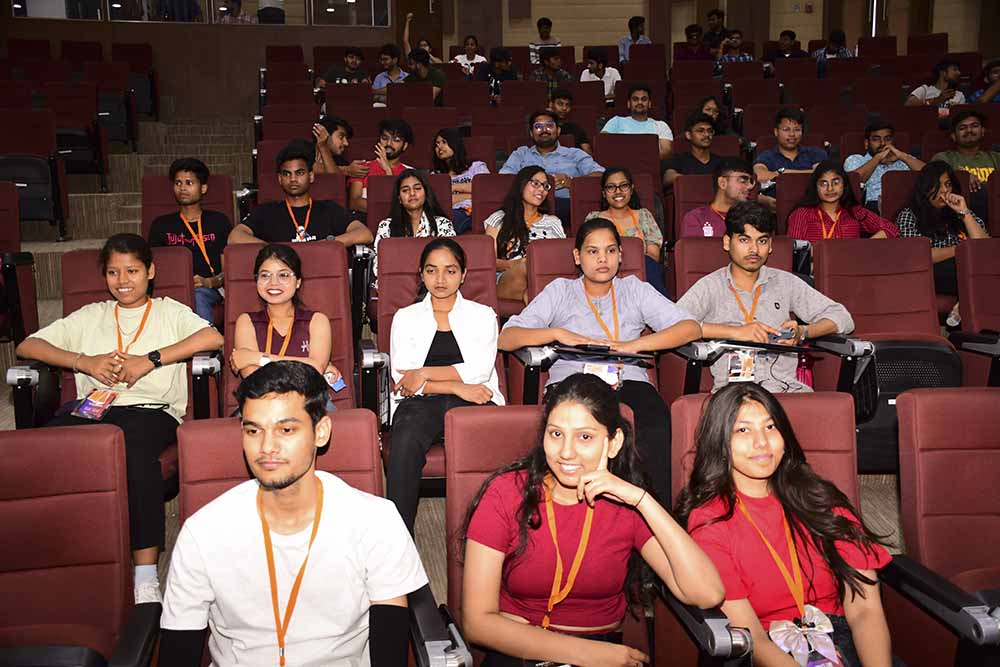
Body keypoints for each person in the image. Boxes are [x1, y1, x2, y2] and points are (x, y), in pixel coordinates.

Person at [158, 361, 426, 666]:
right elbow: (178, 651)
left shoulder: (376, 522)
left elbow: (390, 651)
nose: (266, 447)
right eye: (253, 430)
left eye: (286, 430)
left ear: (321, 432)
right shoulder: (203, 532)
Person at [462, 372, 724, 666]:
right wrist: (591, 654)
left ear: (613, 443)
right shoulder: (507, 493)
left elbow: (708, 593)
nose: (566, 452)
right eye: (556, 434)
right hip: (522, 650)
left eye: (585, 437)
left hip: (603, 646)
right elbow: (477, 623)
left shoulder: (628, 504)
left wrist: (643, 500)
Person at [16, 233, 224, 603]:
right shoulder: (91, 315)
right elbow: (27, 345)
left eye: (132, 271)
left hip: (150, 411)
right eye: (113, 272)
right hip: (93, 409)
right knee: (39, 448)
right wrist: (84, 362)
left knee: (135, 452)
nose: (123, 280)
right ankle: (52, 557)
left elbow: (212, 338)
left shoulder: (168, 310)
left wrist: (151, 360)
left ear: (150, 272)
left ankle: (145, 574)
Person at [675, 383, 897, 667]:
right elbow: (754, 638)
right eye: (743, 430)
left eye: (770, 427)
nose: (761, 442)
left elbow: (865, 609)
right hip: (767, 650)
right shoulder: (710, 520)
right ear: (719, 443)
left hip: (839, 638)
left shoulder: (820, 498)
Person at [499, 218, 702, 501]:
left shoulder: (635, 289)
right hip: (573, 382)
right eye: (592, 251)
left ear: (620, 255)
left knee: (655, 427)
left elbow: (690, 328)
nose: (602, 259)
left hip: (628, 380)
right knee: (581, 434)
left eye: (610, 250)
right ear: (577, 256)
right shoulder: (560, 291)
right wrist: (557, 333)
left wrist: (634, 346)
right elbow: (507, 337)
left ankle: (654, 514)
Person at [387, 238, 503, 533]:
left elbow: (479, 371)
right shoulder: (405, 317)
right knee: (405, 437)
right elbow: (404, 379)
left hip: (475, 398)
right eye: (432, 270)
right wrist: (455, 387)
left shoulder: (483, 315)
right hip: (422, 401)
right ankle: (398, 538)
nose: (440, 279)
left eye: (450, 271)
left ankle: (487, 534)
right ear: (421, 274)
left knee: (488, 438)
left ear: (463, 275)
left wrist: (423, 373)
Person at [676, 201, 854, 393]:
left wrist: (803, 332)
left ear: (770, 246)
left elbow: (843, 318)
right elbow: (672, 325)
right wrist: (735, 332)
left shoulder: (785, 282)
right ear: (727, 242)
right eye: (744, 240)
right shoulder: (710, 286)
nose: (754, 250)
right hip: (734, 393)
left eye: (761, 241)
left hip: (787, 389)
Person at [230, 244, 342, 400]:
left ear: (298, 282)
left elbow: (315, 370)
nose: (273, 283)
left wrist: (258, 358)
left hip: (309, 403)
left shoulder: (317, 321)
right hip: (262, 405)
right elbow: (254, 379)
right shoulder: (246, 321)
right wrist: (304, 366)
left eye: (283, 275)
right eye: (265, 275)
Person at [230, 140, 372, 247]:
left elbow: (365, 234)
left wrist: (328, 244)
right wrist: (271, 249)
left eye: (299, 173)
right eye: (287, 174)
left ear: (311, 176)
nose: (293, 179)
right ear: (280, 179)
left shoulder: (328, 209)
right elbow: (235, 236)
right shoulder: (267, 211)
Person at [147, 158, 230, 323]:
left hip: (209, 288)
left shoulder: (219, 221)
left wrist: (211, 281)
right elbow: (152, 266)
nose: (182, 188)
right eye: (178, 183)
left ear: (203, 188)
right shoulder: (160, 224)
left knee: (197, 296)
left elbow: (229, 267)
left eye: (189, 183)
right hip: (172, 288)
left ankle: (204, 339)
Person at [895, 161, 988, 305]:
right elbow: (917, 255)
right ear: (925, 188)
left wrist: (963, 212)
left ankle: (963, 306)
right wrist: (962, 249)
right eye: (937, 186)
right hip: (930, 273)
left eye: (948, 184)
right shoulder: (909, 215)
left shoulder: (960, 211)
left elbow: (984, 246)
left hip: (965, 268)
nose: (944, 190)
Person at [501, 110, 605, 225]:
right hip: (528, 207)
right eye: (538, 127)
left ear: (558, 131)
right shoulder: (521, 154)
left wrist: (572, 183)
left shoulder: (574, 154)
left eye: (549, 126)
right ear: (531, 133)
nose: (544, 130)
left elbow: (601, 175)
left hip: (566, 207)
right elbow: (504, 178)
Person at [485, 166, 565, 302]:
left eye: (546, 186)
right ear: (521, 185)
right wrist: (515, 264)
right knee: (529, 265)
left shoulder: (553, 223)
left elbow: (562, 259)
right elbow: (487, 261)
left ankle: (533, 301)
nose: (542, 189)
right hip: (507, 279)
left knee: (535, 284)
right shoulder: (499, 218)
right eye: (536, 183)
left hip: (544, 280)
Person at [585, 166, 665, 295]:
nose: (618, 191)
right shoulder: (594, 218)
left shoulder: (644, 215)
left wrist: (631, 266)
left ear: (631, 189)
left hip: (642, 274)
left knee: (649, 264)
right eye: (611, 187)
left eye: (623, 186)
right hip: (605, 272)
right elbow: (589, 253)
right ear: (604, 193)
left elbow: (653, 255)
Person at [787, 160, 899, 241]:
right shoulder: (801, 214)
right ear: (815, 187)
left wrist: (863, 247)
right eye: (823, 183)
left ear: (844, 185)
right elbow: (793, 251)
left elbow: (891, 229)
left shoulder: (855, 212)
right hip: (816, 266)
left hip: (851, 265)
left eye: (836, 182)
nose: (830, 189)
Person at [373, 169, 455, 278]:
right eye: (405, 190)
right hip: (396, 282)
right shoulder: (386, 226)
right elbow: (378, 267)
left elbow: (450, 263)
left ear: (426, 194)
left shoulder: (442, 224)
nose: (412, 193)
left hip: (434, 282)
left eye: (417, 188)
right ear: (399, 199)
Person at [931, 109, 999, 220]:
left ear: (982, 131)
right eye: (962, 128)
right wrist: (961, 177)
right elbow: (933, 184)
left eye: (974, 126)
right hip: (957, 213)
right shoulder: (943, 158)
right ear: (954, 136)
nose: (969, 130)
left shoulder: (996, 158)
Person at [843, 121, 924, 213]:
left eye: (887, 139)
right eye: (876, 139)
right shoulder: (855, 160)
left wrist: (902, 156)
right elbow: (854, 182)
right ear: (866, 143)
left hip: (905, 207)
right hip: (871, 208)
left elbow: (930, 175)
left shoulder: (905, 160)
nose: (883, 143)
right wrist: (878, 158)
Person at [753, 107, 827, 194]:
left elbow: (823, 174)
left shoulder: (815, 153)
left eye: (797, 129)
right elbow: (760, 176)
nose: (792, 134)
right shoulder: (767, 156)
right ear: (776, 132)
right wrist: (808, 174)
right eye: (786, 129)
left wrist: (782, 173)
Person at [347, 118, 415, 214]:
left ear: (405, 146)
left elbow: (408, 205)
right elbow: (354, 203)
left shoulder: (410, 173)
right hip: (364, 218)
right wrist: (387, 209)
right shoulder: (362, 167)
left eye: (396, 140)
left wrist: (388, 171)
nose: (389, 143)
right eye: (384, 138)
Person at [680, 157, 758, 238]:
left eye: (751, 182)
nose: (750, 186)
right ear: (722, 183)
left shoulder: (753, 218)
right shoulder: (696, 218)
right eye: (743, 181)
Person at [432, 128, 490, 234]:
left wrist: (451, 189)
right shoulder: (435, 175)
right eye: (437, 144)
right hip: (448, 213)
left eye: (444, 142)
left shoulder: (476, 167)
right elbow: (437, 201)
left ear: (455, 144)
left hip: (473, 212)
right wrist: (470, 193)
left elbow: (485, 190)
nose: (439, 147)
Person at [601, 83, 674, 159]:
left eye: (644, 99)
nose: (640, 102)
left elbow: (666, 152)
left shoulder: (661, 126)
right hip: (619, 164)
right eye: (635, 99)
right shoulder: (616, 121)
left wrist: (636, 158)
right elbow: (602, 144)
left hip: (649, 164)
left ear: (649, 104)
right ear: (629, 104)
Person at [662, 112, 723, 190]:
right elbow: (668, 177)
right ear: (688, 135)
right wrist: (696, 182)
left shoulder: (721, 162)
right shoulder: (678, 159)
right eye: (700, 131)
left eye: (710, 131)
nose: (707, 135)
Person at [549, 88, 593, 154]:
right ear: (551, 104)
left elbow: (587, 153)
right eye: (560, 104)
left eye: (567, 105)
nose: (564, 108)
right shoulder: (544, 128)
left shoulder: (576, 129)